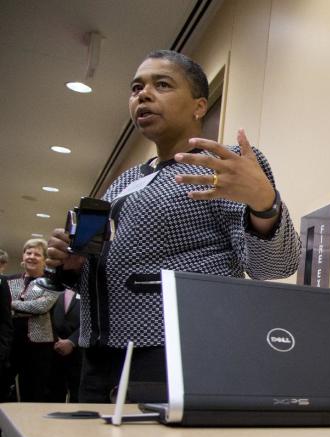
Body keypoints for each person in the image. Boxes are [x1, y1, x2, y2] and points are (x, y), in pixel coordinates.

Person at [47, 49, 300, 403]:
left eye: (161, 85)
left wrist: (265, 203)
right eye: (136, 88)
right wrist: (71, 265)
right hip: (100, 354)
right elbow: (110, 263)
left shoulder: (224, 165)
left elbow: (273, 266)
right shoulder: (124, 181)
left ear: (199, 106)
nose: (143, 94)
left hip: (176, 351)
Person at [7, 239, 60, 401]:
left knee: (33, 390)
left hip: (39, 346)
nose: (31, 257)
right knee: (4, 386)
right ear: (23, 256)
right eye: (28, 253)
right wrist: (22, 307)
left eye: (37, 254)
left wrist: (11, 305)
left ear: (44, 260)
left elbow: (41, 307)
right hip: (9, 342)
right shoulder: (9, 280)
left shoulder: (52, 283)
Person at [49, 289, 81, 402]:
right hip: (52, 350)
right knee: (53, 395)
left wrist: (72, 341)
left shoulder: (89, 288)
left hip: (80, 352)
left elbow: (93, 318)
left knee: (78, 395)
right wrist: (55, 338)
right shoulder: (51, 287)